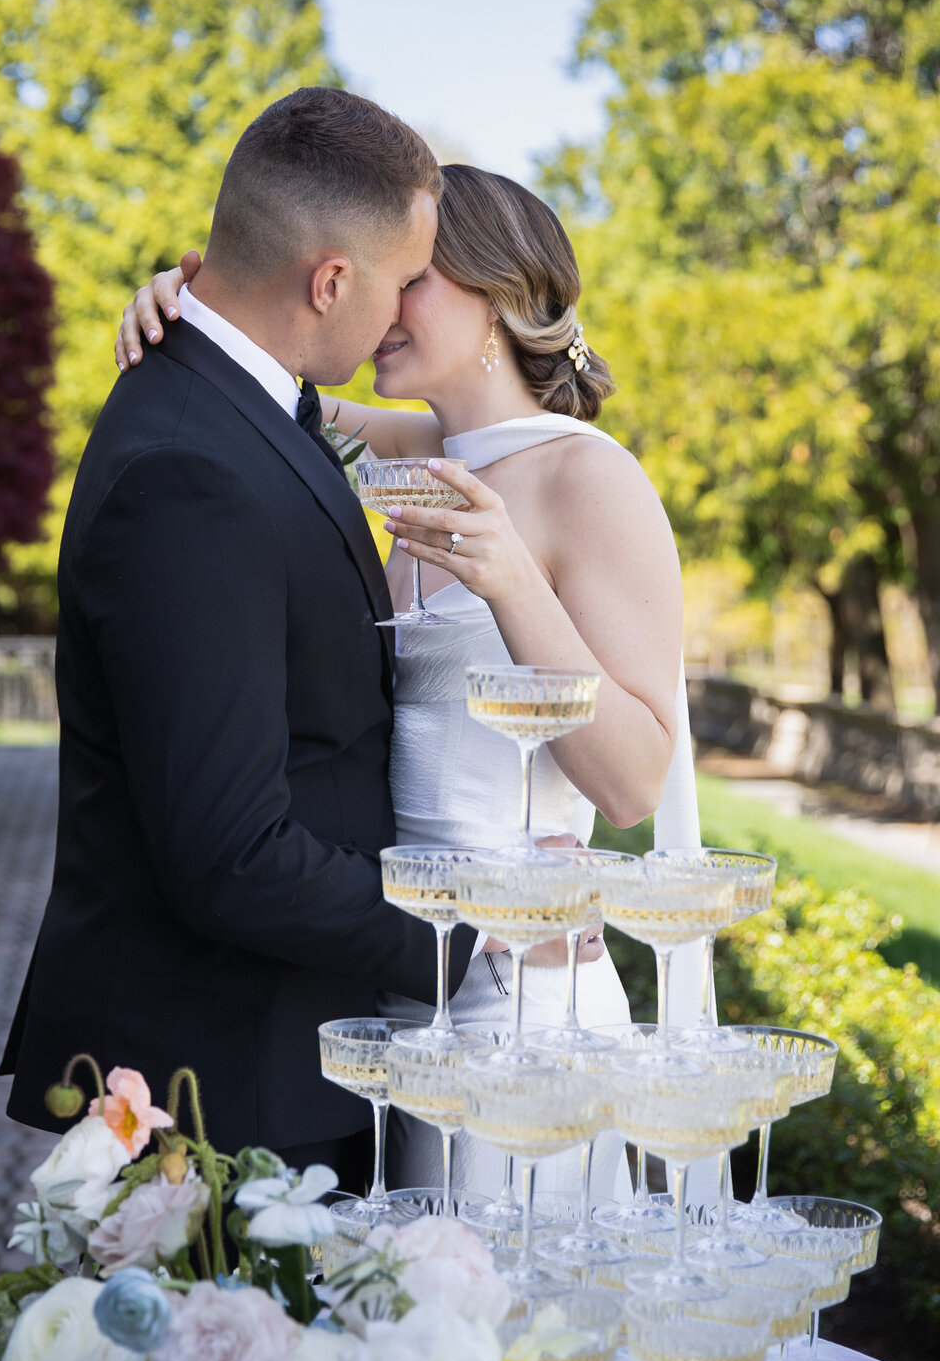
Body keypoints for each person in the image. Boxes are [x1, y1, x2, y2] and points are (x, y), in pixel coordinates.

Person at [118, 161, 703, 1205]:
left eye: (416, 278)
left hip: (522, 1004)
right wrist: (183, 299)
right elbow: (266, 385)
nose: (383, 305)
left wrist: (516, 582)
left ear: (500, 299)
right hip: (393, 988)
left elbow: (632, 786)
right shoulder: (421, 449)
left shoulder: (590, 477)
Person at [1, 87, 482, 1192]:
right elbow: (231, 856)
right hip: (224, 1093)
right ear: (329, 281)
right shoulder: (189, 470)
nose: (410, 306)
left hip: (270, 1059)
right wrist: (468, 944)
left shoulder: (241, 401)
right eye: (404, 280)